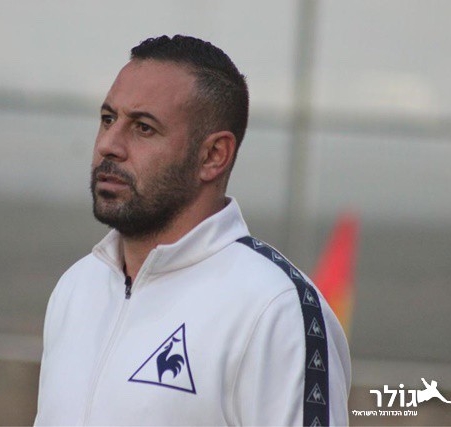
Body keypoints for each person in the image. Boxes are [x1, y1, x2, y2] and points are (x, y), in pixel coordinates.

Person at [35, 35, 351, 426]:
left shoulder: (275, 308)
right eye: (108, 119)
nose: (109, 145)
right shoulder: (77, 287)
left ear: (213, 156)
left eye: (143, 128)